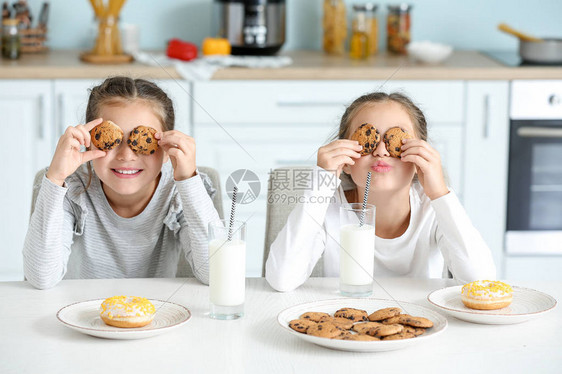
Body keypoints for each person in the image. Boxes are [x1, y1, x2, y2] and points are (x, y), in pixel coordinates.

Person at [265, 92, 496, 292]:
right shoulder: (329, 208)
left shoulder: (433, 209)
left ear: (420, 154)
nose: (382, 150)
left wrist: (440, 194)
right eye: (368, 140)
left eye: (397, 139)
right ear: (345, 157)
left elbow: (482, 282)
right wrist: (320, 186)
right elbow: (282, 279)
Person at [23, 77, 219, 289]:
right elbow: (41, 277)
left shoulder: (177, 193)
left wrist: (189, 180)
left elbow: (215, 273)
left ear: (166, 147)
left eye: (145, 143)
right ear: (88, 143)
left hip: (157, 313)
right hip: (81, 311)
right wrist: (55, 179)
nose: (126, 155)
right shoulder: (73, 189)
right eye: (112, 141)